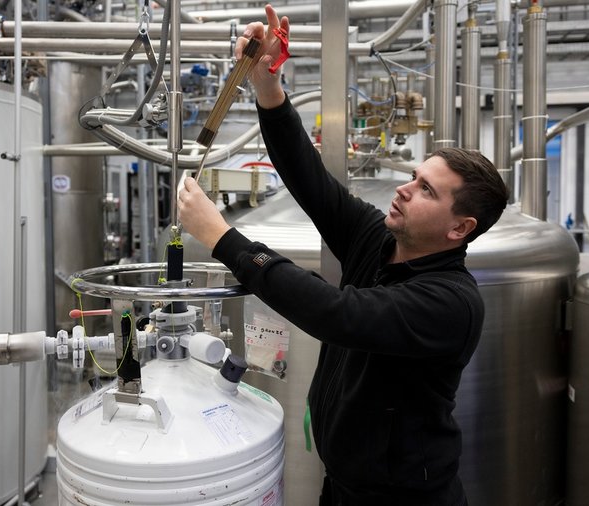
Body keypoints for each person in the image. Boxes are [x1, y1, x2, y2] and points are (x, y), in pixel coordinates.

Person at [177, 5, 510, 505]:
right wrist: (269, 85)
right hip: (343, 485)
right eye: (413, 177)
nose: (403, 189)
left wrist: (223, 237)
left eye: (425, 191)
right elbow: (310, 181)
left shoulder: (451, 303)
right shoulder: (379, 240)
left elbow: (337, 314)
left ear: (459, 228)